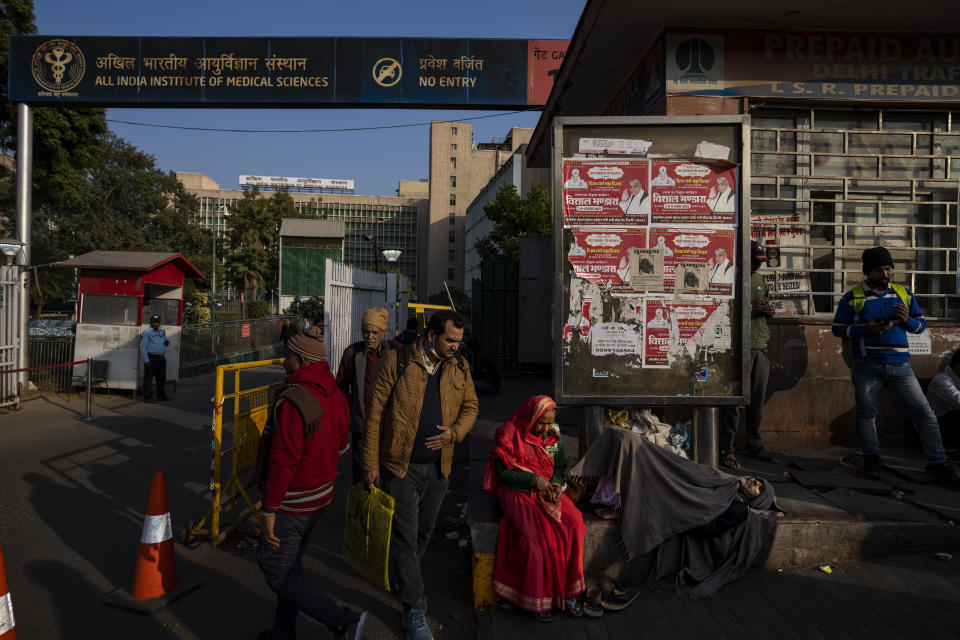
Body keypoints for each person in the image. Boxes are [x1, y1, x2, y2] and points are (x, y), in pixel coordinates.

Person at [362, 310, 478, 640]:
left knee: (423, 533)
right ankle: (414, 607)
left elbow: (471, 406)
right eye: (450, 340)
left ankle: (404, 577)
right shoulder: (397, 360)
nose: (457, 346)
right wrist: (369, 463)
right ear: (431, 336)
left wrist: (454, 433)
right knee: (404, 535)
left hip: (440, 468)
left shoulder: (460, 367)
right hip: (400, 467)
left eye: (459, 340)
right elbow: (374, 416)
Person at [257, 326, 367, 640]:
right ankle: (282, 633)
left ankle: (343, 620)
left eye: (288, 356)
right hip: (322, 495)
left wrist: (269, 510)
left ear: (301, 360)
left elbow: (284, 461)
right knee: (291, 568)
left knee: (276, 569)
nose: (282, 361)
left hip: (294, 502)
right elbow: (343, 444)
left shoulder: (294, 400)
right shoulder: (333, 392)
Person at [832, 246, 960, 489]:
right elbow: (838, 329)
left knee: (924, 413)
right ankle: (872, 459)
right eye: (879, 269)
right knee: (867, 413)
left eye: (889, 268)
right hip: (867, 364)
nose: (886, 273)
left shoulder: (904, 294)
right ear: (867, 272)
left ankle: (938, 463)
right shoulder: (853, 298)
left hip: (901, 366)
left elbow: (920, 326)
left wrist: (907, 320)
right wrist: (865, 329)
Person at [482, 396, 585, 622]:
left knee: (575, 523)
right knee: (534, 538)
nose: (546, 428)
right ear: (530, 418)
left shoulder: (553, 434)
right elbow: (503, 473)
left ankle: (569, 592)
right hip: (516, 490)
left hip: (546, 487)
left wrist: (556, 485)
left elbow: (557, 467)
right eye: (542, 423)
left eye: (550, 423)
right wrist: (533, 481)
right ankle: (538, 598)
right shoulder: (508, 433)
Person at [720, 241, 776, 469]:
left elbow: (766, 309)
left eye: (759, 262)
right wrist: (749, 306)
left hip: (760, 345)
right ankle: (726, 447)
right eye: (753, 261)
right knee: (733, 401)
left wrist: (768, 311)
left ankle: (754, 441)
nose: (756, 266)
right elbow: (722, 309)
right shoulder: (729, 277)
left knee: (757, 400)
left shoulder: (760, 280)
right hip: (736, 347)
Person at [336, 308, 394, 485]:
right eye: (366, 332)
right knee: (362, 476)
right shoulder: (352, 353)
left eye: (374, 332)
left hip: (388, 425)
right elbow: (341, 385)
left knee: (386, 475)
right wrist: (352, 406)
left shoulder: (393, 353)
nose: (370, 336)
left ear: (382, 332)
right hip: (362, 426)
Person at [926, 350, 960, 449]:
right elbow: (957, 400)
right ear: (958, 367)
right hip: (939, 426)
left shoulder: (957, 378)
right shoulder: (941, 379)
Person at [140, 314, 171, 402]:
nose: (156, 324)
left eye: (157, 322)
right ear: (151, 322)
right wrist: (146, 360)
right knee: (148, 378)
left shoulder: (162, 331)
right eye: (154, 322)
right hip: (151, 358)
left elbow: (164, 341)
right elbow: (144, 347)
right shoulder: (147, 332)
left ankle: (161, 395)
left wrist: (166, 343)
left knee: (161, 378)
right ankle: (148, 397)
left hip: (161, 358)